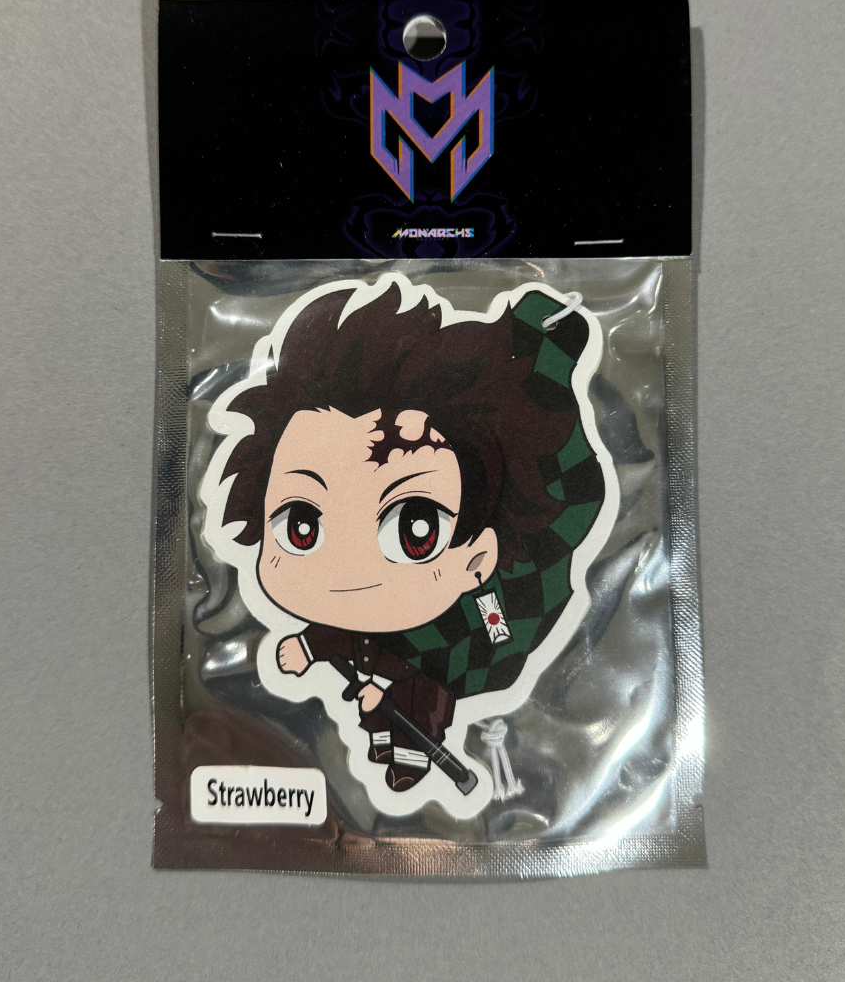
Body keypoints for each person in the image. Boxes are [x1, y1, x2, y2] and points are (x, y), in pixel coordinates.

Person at [218, 282, 605, 791]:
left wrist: (378, 686)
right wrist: (312, 647)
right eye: (301, 525)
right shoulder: (389, 625)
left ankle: (543, 341)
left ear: (476, 557)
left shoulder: (484, 639)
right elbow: (354, 636)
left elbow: (437, 669)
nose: (350, 569)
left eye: (414, 529)